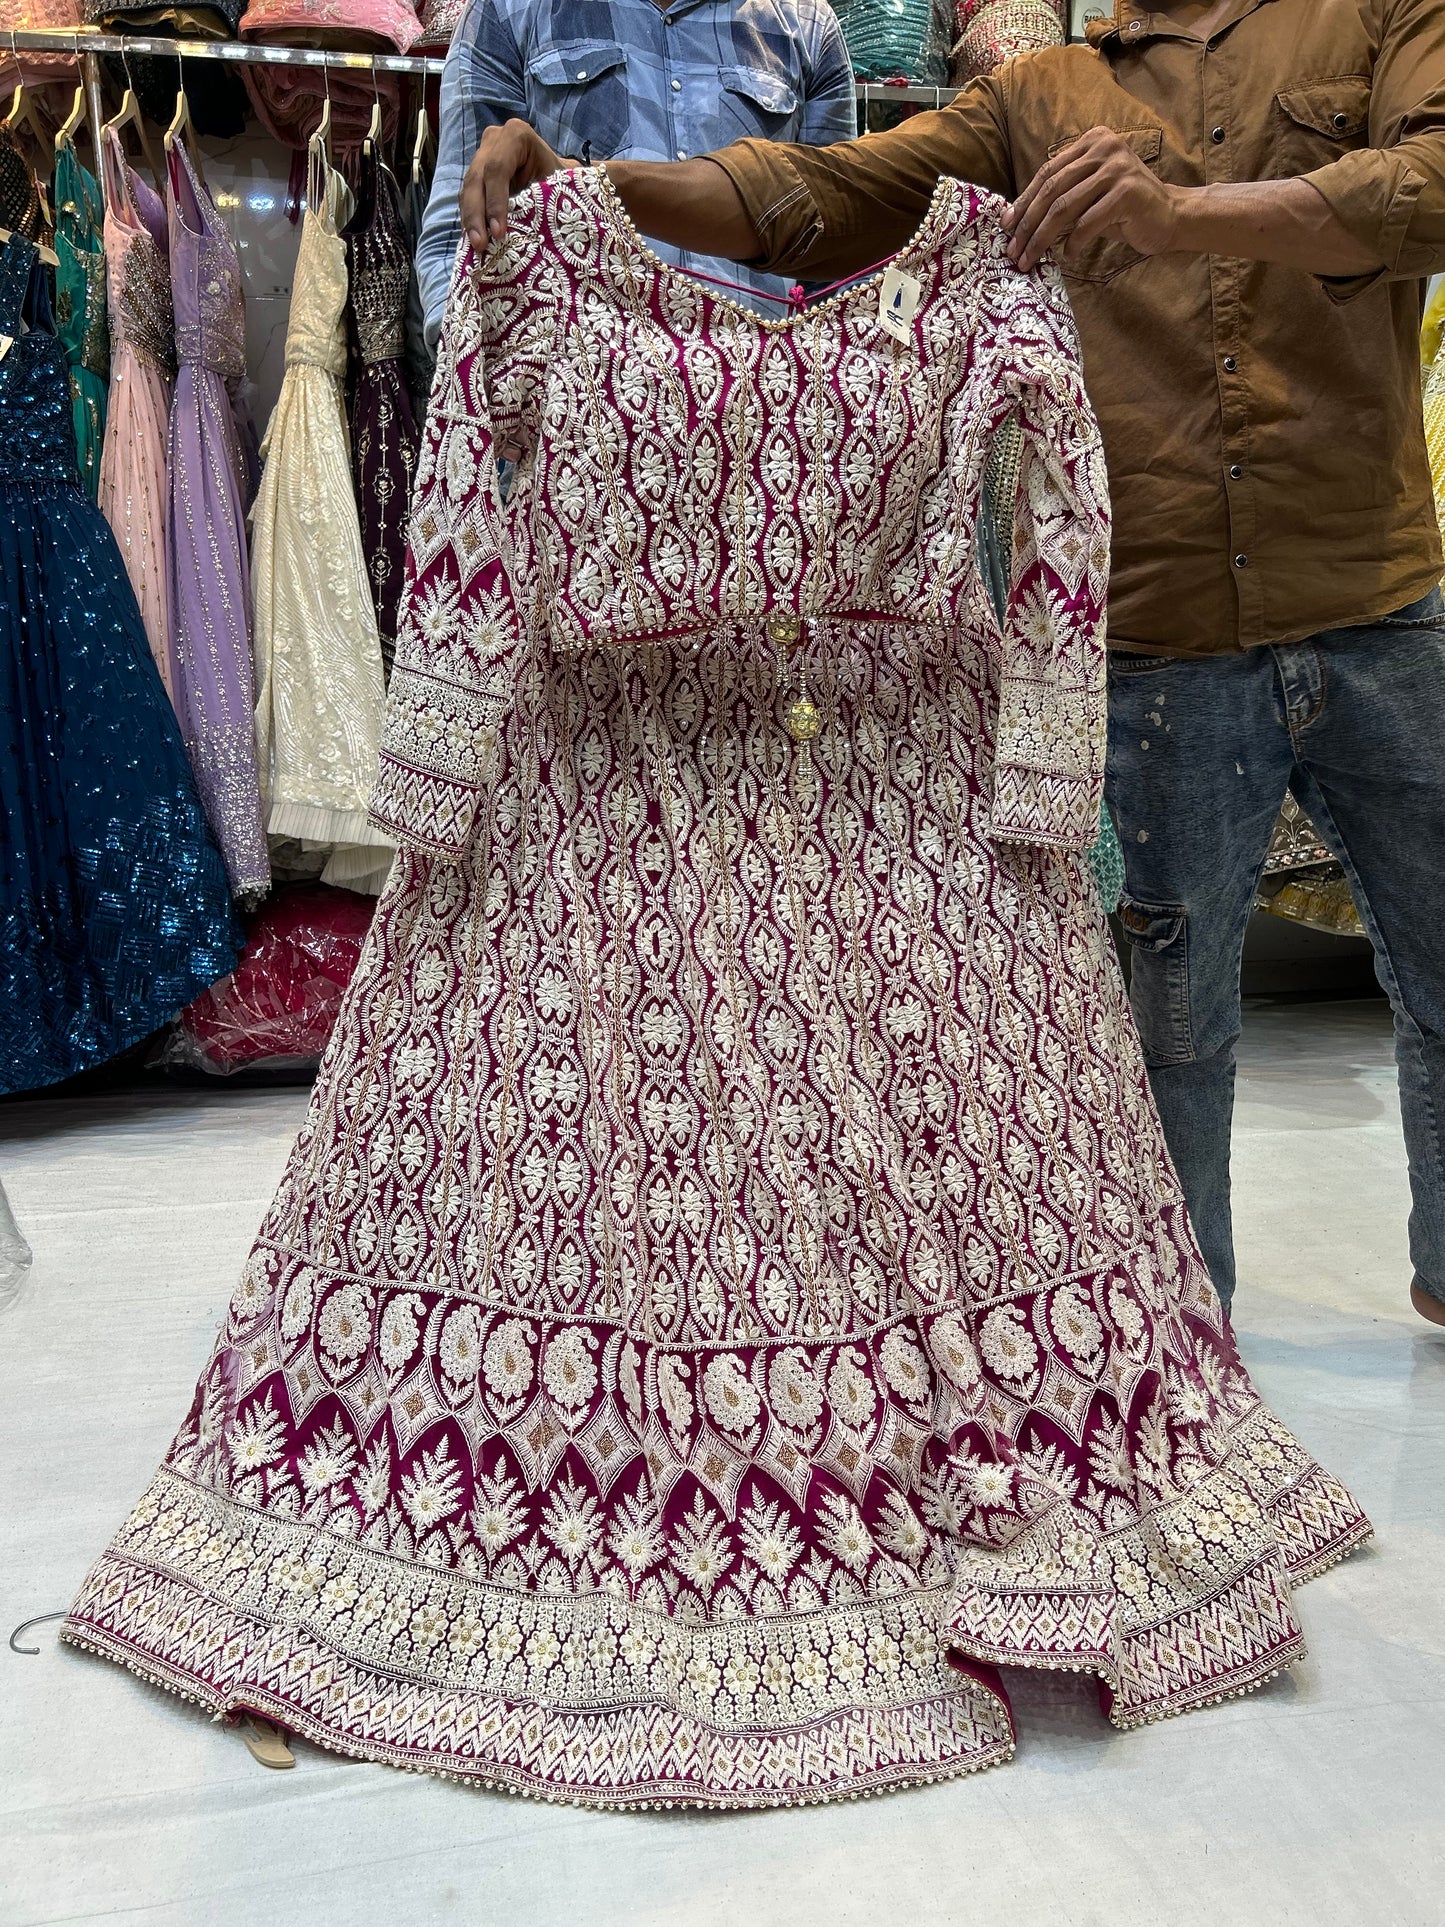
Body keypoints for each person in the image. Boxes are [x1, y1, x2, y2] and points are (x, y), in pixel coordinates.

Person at [460, 0, 1445, 1328]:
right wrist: (595, 191)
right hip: (1165, 639)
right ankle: (1177, 1343)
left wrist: (1180, 214)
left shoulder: (1375, 16)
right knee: (1171, 1033)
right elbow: (811, 195)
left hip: (1374, 590)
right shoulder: (1041, 95)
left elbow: (1429, 191)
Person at [415, 0, 858, 345]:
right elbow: (455, 239)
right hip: (578, 426)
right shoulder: (510, 11)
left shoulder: (806, 25)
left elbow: (839, 263)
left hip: (757, 423)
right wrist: (490, 385)